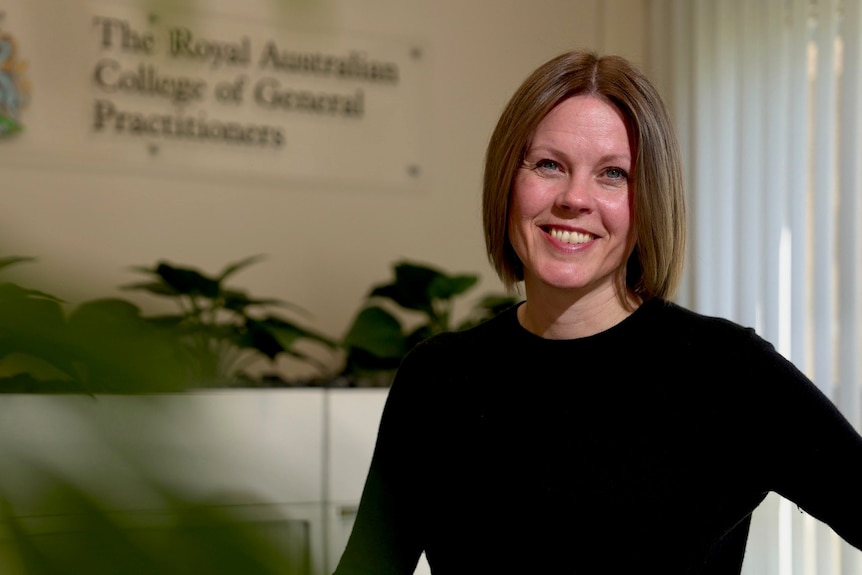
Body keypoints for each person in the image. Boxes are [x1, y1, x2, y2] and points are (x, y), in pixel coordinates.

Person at [333, 49, 862, 574]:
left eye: (612, 174)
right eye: (548, 165)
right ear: (507, 182)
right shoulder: (437, 379)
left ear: (649, 199)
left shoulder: (728, 371)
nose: (574, 198)